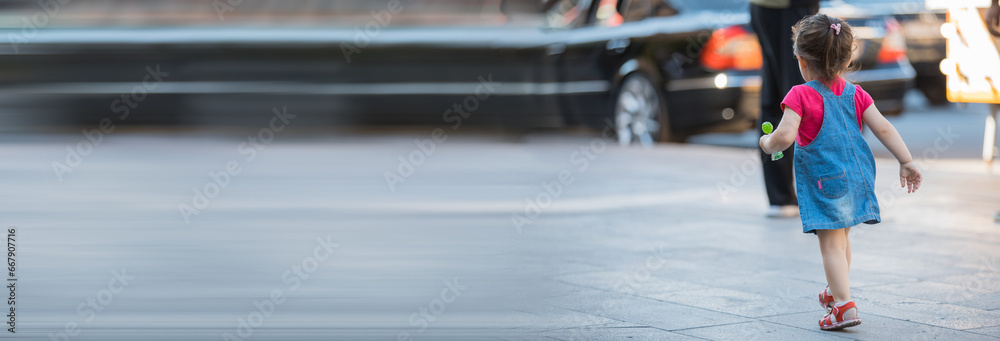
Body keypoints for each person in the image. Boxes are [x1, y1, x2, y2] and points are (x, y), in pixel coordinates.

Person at [759, 14, 923, 330]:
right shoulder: (856, 93)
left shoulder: (800, 94)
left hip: (826, 183)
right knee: (843, 239)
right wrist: (906, 161)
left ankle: (844, 306)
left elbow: (784, 137)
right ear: (847, 58)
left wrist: (767, 142)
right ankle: (837, 291)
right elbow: (884, 128)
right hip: (859, 178)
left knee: (831, 244)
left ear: (802, 61)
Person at [750, 0, 819, 218]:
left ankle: (781, 197)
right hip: (791, 7)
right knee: (801, 96)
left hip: (765, 7)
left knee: (775, 98)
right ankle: (818, 193)